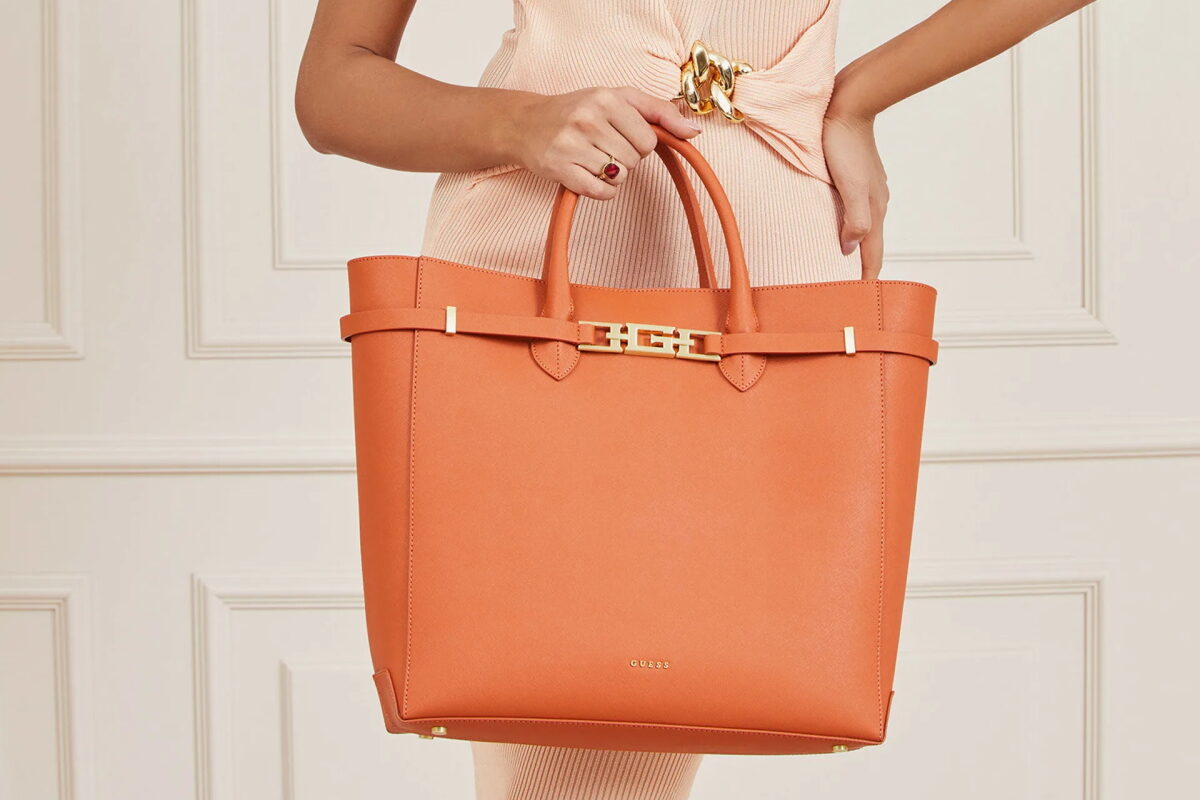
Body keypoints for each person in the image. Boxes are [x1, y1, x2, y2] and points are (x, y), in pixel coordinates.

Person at [295, 0, 1095, 796]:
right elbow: (332, 87)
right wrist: (521, 122)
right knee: (533, 729)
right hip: (537, 228)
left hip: (768, 241)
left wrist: (857, 98)